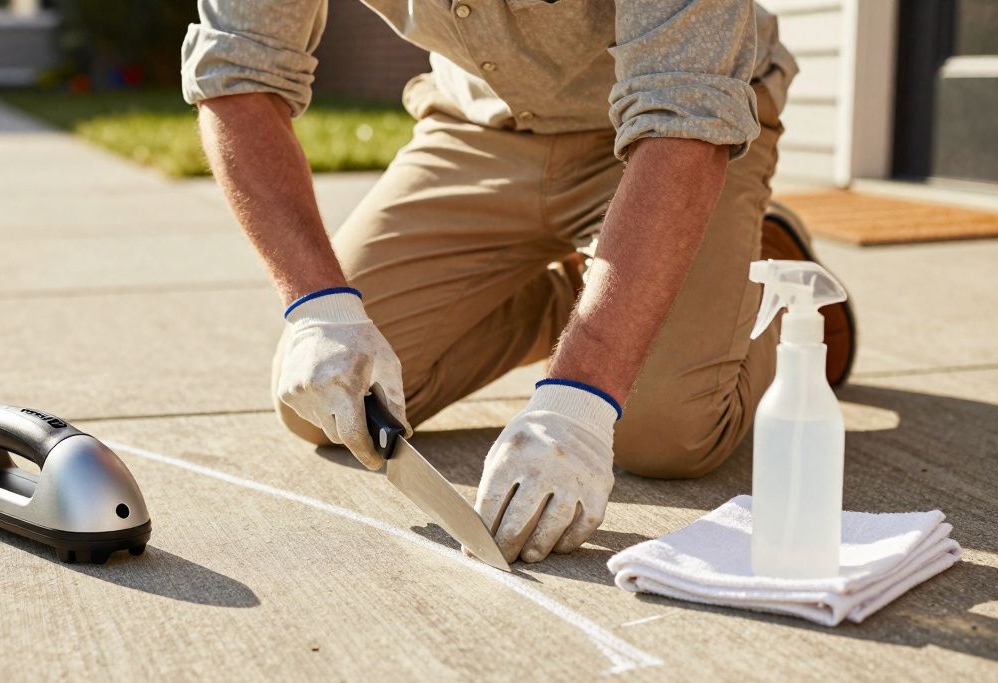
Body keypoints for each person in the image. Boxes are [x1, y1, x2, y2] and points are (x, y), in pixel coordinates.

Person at [182, 0, 856, 564]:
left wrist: (578, 401)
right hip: (480, 126)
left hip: (674, 131)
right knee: (339, 403)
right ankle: (592, 290)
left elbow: (687, 113)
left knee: (666, 434)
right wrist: (319, 309)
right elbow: (239, 68)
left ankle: (773, 285)